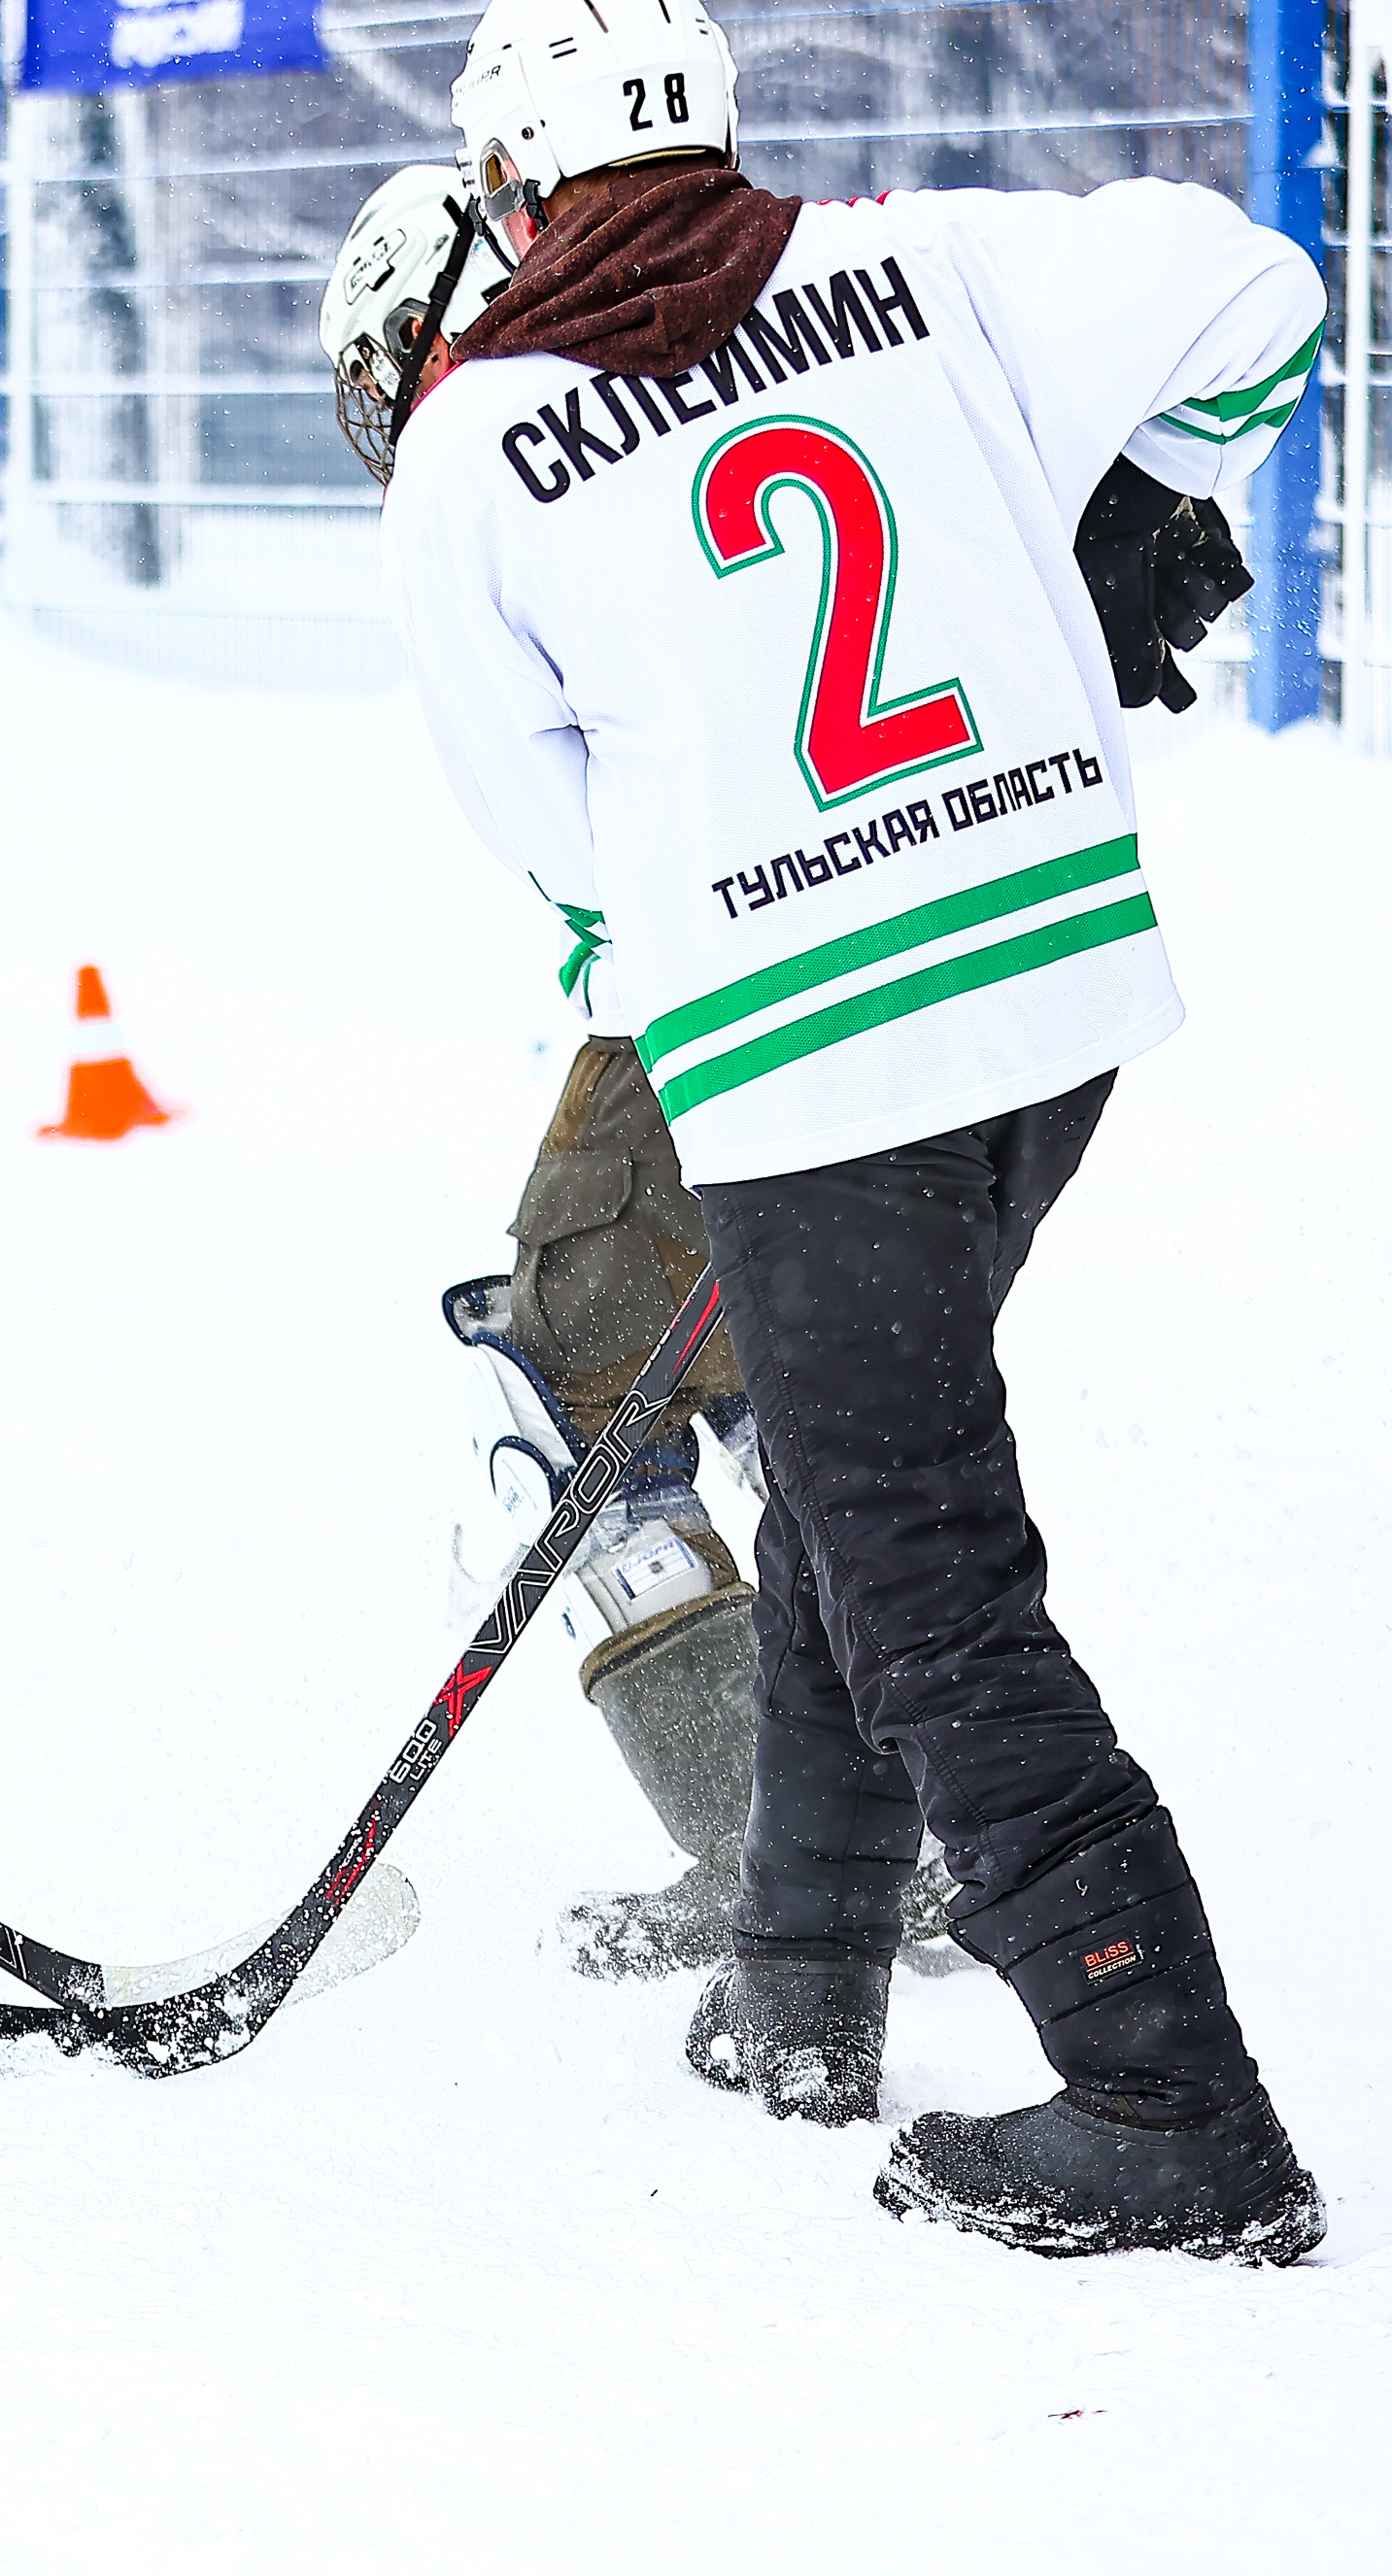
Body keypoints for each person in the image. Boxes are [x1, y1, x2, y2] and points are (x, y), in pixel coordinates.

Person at [383, 0, 1327, 2262]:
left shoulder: (471, 439)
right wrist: (1132, 503)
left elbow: (560, 844)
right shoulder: (924, 260)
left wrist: (712, 914)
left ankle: (1164, 2098)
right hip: (1054, 991)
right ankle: (803, 1980)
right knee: (840, 1462)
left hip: (816, 1062)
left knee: (920, 1569)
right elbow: (1258, 302)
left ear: (514, 193)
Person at [328, 166, 968, 1991]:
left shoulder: (516, 438)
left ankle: (777, 1855)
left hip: (728, 961)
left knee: (577, 1376)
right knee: (819, 1394)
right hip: (910, 921)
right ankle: (897, 1824)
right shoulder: (742, 330)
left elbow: (587, 840)